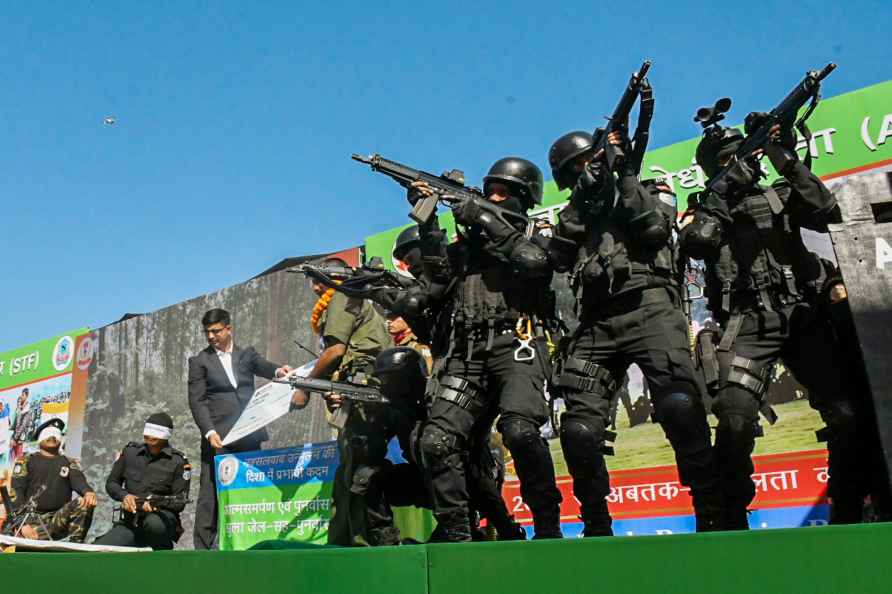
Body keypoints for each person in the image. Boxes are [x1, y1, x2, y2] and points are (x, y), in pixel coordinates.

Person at [545, 126, 723, 535]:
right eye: (573, 171)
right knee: (578, 428)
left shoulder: (648, 188)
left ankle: (712, 509)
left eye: (587, 164)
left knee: (679, 404)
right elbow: (556, 256)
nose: (582, 174)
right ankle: (595, 520)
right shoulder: (574, 212)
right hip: (597, 322)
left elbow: (654, 229)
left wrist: (620, 177)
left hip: (650, 307)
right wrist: (581, 202)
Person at [679, 107, 843, 529]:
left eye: (741, 158)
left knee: (846, 413)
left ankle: (851, 504)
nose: (739, 168)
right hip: (747, 326)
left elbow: (827, 211)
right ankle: (731, 521)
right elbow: (696, 243)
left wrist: (780, 155)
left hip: (801, 316)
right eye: (726, 164)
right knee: (734, 421)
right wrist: (722, 194)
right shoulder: (707, 211)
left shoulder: (780, 194)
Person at [409, 157, 564, 541]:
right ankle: (458, 536)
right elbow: (435, 281)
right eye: (489, 190)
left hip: (518, 345)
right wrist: (428, 223)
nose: (492, 196)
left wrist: (484, 217)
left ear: (522, 197)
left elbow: (535, 264)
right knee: (437, 440)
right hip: (467, 354)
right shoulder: (467, 249)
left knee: (520, 431)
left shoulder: (534, 235)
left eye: (501, 192)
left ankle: (548, 527)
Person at [292, 264, 396, 546]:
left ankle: (367, 543)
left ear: (336, 277)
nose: (315, 288)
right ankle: (342, 541)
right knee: (346, 473)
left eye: (319, 280)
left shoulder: (341, 296)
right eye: (311, 282)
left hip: (366, 396)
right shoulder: (354, 298)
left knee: (359, 471)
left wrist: (304, 386)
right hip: (362, 390)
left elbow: (336, 351)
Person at [187, 308, 291, 549]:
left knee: (250, 487)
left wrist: (280, 371)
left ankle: (250, 539)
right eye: (207, 332)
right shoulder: (199, 362)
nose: (211, 336)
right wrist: (209, 432)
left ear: (228, 328)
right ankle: (204, 549)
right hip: (218, 438)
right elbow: (197, 401)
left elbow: (266, 367)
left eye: (216, 331)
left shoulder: (246, 355)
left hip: (249, 433)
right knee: (210, 494)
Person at [93, 413, 191, 549]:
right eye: (148, 432)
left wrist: (157, 505)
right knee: (99, 548)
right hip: (131, 523)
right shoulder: (130, 453)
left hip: (161, 522)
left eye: (155, 433)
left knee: (154, 523)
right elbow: (111, 483)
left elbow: (180, 501)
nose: (150, 436)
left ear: (166, 435)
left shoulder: (178, 462)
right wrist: (125, 496)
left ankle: (163, 551)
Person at [8, 419, 97, 542]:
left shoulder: (68, 462)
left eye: (56, 434)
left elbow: (79, 480)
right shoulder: (26, 461)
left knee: (83, 502)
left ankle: (75, 547)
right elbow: (16, 493)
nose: (52, 437)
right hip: (33, 521)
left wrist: (88, 492)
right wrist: (22, 524)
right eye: (48, 433)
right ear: (40, 439)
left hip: (58, 519)